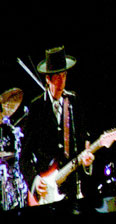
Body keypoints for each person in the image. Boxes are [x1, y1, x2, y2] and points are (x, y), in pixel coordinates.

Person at [20, 46, 95, 206]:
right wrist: (35, 181)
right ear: (48, 79)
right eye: (57, 77)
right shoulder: (37, 107)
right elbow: (24, 157)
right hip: (47, 191)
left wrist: (87, 160)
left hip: (72, 190)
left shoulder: (73, 102)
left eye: (64, 76)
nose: (61, 82)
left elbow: (83, 143)